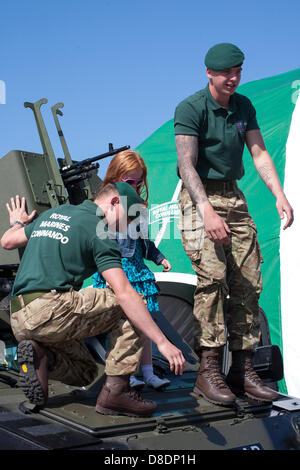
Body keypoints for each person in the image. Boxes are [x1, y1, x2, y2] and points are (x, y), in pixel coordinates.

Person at [174, 42, 294, 405]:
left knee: (248, 280)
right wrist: (206, 210)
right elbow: (186, 165)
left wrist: (279, 194)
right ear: (209, 73)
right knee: (212, 277)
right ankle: (207, 371)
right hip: (200, 197)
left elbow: (258, 152)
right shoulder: (191, 107)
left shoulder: (244, 107)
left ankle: (242, 369)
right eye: (227, 72)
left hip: (235, 195)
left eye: (238, 71)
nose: (234, 78)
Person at [0, 185, 185, 417]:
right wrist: (162, 342)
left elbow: (7, 241)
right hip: (50, 309)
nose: (126, 226)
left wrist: (18, 222)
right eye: (128, 218)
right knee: (135, 303)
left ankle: (43, 357)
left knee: (86, 372)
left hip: (19, 318)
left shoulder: (53, 214)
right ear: (115, 202)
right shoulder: (101, 231)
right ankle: (117, 393)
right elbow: (124, 292)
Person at [93, 150, 171, 391]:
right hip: (116, 272)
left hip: (137, 271)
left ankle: (147, 371)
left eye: (139, 182)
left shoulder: (140, 209)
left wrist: (159, 257)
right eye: (130, 182)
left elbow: (145, 243)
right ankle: (126, 371)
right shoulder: (103, 209)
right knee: (120, 327)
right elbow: (98, 246)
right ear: (115, 178)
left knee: (143, 323)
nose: (136, 186)